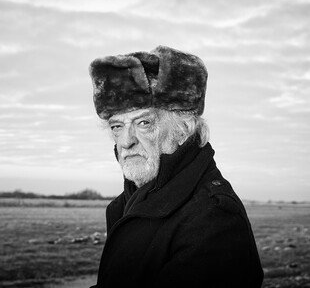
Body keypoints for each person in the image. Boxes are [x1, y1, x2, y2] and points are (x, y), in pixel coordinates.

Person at [88, 46, 263, 288]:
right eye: (117, 126)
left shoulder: (214, 219)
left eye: (144, 122)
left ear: (183, 130)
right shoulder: (129, 202)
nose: (126, 141)